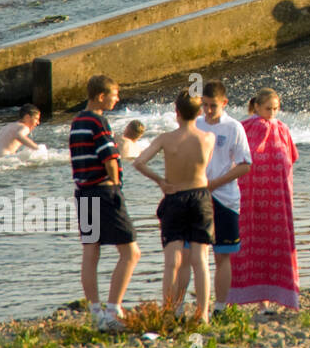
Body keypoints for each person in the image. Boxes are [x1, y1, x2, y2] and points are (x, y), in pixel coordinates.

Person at [132, 91, 216, 321]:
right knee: (200, 259)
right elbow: (206, 163)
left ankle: (168, 312)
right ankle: (203, 314)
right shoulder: (208, 137)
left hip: (174, 196)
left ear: (175, 112)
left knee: (173, 261)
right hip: (199, 196)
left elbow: (139, 162)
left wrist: (160, 181)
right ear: (199, 113)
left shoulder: (165, 139)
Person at [173, 80, 252, 316]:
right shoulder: (195, 124)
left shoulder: (234, 127)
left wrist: (216, 183)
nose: (207, 111)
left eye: (212, 106)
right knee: (188, 254)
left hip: (225, 197)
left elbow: (245, 165)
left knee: (222, 255)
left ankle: (219, 307)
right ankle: (177, 307)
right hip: (194, 197)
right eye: (204, 105)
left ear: (224, 103)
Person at [70, 74, 139, 331]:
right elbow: (110, 158)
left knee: (91, 252)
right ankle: (114, 309)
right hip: (104, 191)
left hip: (83, 192)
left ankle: (95, 312)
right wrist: (117, 186)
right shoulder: (98, 122)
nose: (117, 98)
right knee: (131, 252)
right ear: (101, 96)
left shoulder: (77, 121)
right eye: (114, 94)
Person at [229, 87, 301, 310]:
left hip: (277, 200)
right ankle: (233, 299)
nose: (272, 113)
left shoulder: (282, 129)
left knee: (275, 247)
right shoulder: (244, 128)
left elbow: (292, 158)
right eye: (268, 108)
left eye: (276, 109)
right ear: (256, 107)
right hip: (250, 200)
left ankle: (267, 300)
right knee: (245, 246)